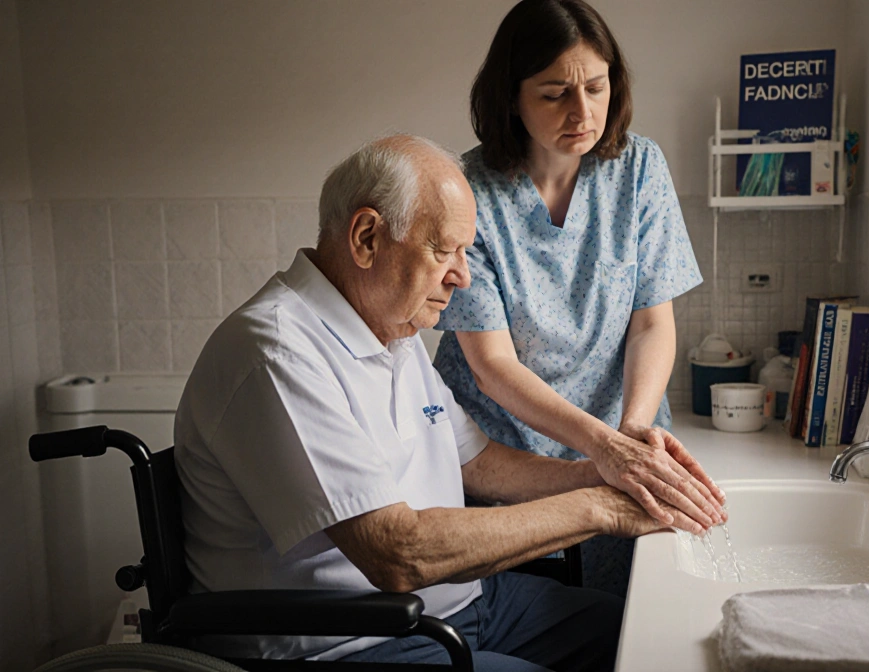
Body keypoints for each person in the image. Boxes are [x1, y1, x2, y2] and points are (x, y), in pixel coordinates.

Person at [173, 135, 689, 671]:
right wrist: (599, 510)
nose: (462, 276)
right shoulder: (276, 350)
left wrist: (607, 476)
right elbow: (397, 552)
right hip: (351, 642)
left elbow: (480, 463)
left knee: (650, 639)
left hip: (457, 606)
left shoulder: (392, 333)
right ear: (367, 237)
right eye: (445, 250)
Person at [433, 0, 723, 596]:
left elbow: (651, 325)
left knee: (625, 613)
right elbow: (492, 365)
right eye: (554, 93)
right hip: (503, 453)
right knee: (532, 619)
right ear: (510, 97)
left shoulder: (639, 167)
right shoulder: (470, 191)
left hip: (623, 437)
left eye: (596, 87)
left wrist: (633, 434)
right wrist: (603, 446)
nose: (582, 111)